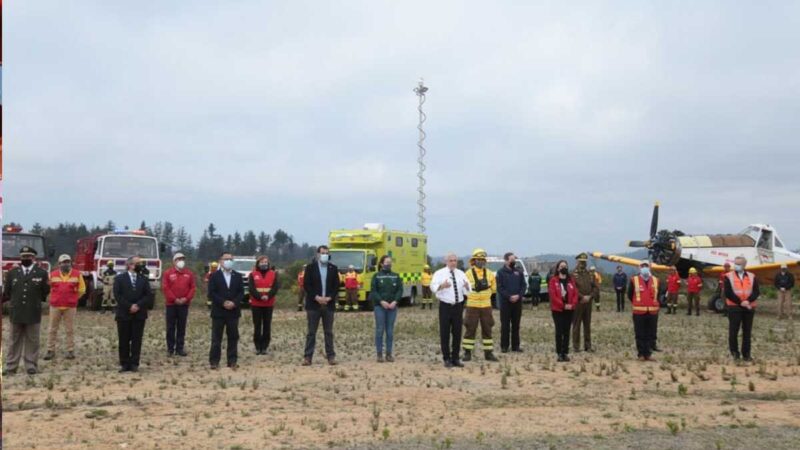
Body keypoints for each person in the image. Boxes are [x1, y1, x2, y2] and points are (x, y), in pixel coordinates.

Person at [2, 246, 50, 375]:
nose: (25, 259)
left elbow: (45, 291)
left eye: (28, 256)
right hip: (16, 312)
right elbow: (8, 291)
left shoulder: (41, 273)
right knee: (14, 340)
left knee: (33, 340)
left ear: (33, 258)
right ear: (20, 258)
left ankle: (31, 365)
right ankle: (11, 366)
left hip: (33, 312)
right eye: (23, 257)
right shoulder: (12, 273)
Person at [431, 253, 471, 368]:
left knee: (457, 333)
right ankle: (446, 358)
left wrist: (467, 287)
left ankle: (455, 358)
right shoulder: (439, 273)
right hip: (445, 306)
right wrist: (441, 286)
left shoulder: (461, 273)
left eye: (455, 260)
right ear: (446, 261)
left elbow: (468, 289)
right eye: (451, 260)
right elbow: (433, 287)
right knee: (445, 333)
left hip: (458, 307)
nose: (453, 262)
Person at [302, 245, 341, 366]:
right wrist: (317, 297)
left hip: (328, 305)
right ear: (318, 254)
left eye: (326, 253)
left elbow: (336, 285)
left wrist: (329, 297)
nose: (325, 255)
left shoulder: (333, 268)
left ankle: (331, 356)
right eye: (322, 253)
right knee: (311, 332)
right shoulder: (310, 268)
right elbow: (307, 285)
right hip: (314, 305)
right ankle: (308, 357)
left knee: (328, 332)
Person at [113, 256, 153, 372]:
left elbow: (148, 295)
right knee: (124, 339)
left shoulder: (143, 279)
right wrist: (129, 306)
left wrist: (138, 305)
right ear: (130, 265)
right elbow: (117, 295)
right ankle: (124, 363)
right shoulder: (120, 279)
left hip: (139, 314)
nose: (140, 265)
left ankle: (135, 363)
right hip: (124, 314)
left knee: (137, 339)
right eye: (138, 263)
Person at [44, 254, 85, 361]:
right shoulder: (52, 274)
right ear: (59, 264)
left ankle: (70, 350)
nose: (65, 264)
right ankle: (50, 350)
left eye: (67, 262)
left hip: (70, 307)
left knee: (69, 330)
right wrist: (52, 298)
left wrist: (74, 298)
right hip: (55, 306)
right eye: (63, 262)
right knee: (52, 329)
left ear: (70, 263)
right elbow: (46, 288)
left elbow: (82, 289)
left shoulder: (77, 274)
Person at [207, 252, 244, 369]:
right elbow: (211, 293)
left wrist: (234, 303)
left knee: (233, 337)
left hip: (233, 312)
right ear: (221, 261)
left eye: (230, 259)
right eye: (226, 259)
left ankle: (232, 360)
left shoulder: (238, 276)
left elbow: (241, 292)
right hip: (219, 311)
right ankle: (214, 361)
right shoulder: (214, 276)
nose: (228, 261)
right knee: (216, 338)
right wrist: (223, 302)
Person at [462, 249, 498, 362]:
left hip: (486, 306)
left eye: (482, 259)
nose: (480, 261)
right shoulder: (467, 274)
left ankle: (488, 353)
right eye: (478, 259)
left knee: (488, 329)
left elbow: (494, 289)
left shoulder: (490, 274)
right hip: (472, 305)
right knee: (470, 328)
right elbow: (464, 289)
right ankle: (467, 353)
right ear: (473, 260)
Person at [724, 256, 760, 362]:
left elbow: (756, 292)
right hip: (734, 307)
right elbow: (728, 293)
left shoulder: (752, 276)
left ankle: (746, 354)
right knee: (733, 331)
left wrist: (747, 301)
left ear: (744, 265)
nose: (736, 265)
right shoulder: (728, 276)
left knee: (747, 332)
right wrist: (741, 302)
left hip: (749, 307)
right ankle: (735, 353)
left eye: (739, 264)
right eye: (735, 263)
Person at [162, 252, 196, 357]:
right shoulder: (168, 273)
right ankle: (170, 349)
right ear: (174, 261)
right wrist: (174, 299)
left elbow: (192, 288)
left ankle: (180, 348)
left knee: (181, 327)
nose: (181, 261)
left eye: (182, 259)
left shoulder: (189, 274)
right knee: (170, 327)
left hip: (184, 305)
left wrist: (186, 299)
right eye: (179, 259)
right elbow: (165, 288)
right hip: (171, 305)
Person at [370, 255, 403, 362]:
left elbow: (399, 290)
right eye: (386, 262)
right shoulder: (376, 276)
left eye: (390, 262)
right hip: (380, 307)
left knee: (390, 331)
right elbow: (374, 291)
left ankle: (389, 354)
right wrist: (381, 301)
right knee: (380, 330)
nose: (388, 264)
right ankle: (379, 354)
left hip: (392, 307)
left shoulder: (396, 276)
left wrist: (395, 301)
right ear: (381, 264)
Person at [628, 261, 660, 362]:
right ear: (639, 268)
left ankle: (648, 354)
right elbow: (630, 294)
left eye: (646, 266)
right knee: (640, 333)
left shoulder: (656, 280)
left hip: (652, 312)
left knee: (650, 334)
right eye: (643, 266)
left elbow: (657, 295)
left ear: (650, 267)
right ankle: (641, 354)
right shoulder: (634, 280)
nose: (645, 267)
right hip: (639, 312)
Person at [248, 255, 280, 355]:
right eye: (262, 262)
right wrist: (259, 297)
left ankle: (265, 347)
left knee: (267, 325)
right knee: (257, 326)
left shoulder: (273, 274)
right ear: (258, 263)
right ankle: (258, 347)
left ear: (268, 263)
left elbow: (275, 288)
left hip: (268, 304)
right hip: (256, 304)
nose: (264, 264)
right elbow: (251, 288)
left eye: (265, 262)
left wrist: (268, 296)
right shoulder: (252, 274)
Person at [497, 252, 527, 353]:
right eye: (511, 260)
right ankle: (504, 346)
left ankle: (516, 346)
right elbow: (500, 288)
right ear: (506, 260)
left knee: (516, 325)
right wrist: (509, 297)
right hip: (506, 303)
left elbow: (523, 285)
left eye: (514, 260)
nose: (513, 261)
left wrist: (519, 295)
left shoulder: (519, 272)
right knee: (505, 325)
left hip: (517, 303)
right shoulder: (500, 272)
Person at [549, 260, 578, 362]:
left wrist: (572, 304)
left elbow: (575, 294)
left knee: (566, 331)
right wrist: (563, 305)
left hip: (569, 310)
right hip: (558, 310)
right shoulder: (553, 280)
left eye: (565, 266)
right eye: (561, 266)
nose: (563, 268)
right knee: (559, 331)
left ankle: (565, 352)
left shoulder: (571, 280)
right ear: (558, 268)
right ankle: (559, 353)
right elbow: (553, 296)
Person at [572, 253, 598, 353]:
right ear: (577, 262)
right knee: (576, 325)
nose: (583, 264)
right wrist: (582, 297)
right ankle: (576, 346)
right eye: (581, 262)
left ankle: (588, 346)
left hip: (588, 303)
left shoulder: (590, 274)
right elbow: (573, 289)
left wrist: (590, 296)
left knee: (587, 325)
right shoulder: (573, 274)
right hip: (578, 303)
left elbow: (595, 287)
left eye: (584, 262)